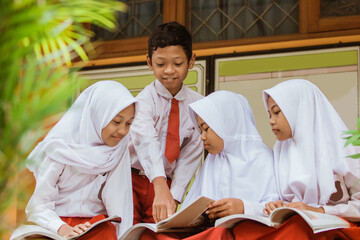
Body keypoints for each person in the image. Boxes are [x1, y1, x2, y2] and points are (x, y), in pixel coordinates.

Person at [140, 90, 279, 240]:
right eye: (200, 130)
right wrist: (197, 218)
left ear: (227, 123)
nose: (202, 137)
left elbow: (277, 211)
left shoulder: (263, 158)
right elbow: (194, 207)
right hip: (209, 233)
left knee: (219, 234)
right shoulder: (213, 161)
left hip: (246, 234)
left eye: (206, 129)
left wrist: (244, 207)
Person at [233, 79, 360, 239]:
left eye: (277, 112)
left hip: (338, 227)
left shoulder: (345, 147)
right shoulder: (282, 150)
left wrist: (319, 211)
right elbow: (292, 202)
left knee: (295, 230)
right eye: (269, 114)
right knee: (243, 230)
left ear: (300, 109)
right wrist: (280, 206)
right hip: (300, 224)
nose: (271, 121)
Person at [22, 81, 137, 239]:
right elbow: (39, 206)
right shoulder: (59, 149)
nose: (123, 131)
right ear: (97, 114)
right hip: (55, 226)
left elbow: (119, 202)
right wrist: (64, 229)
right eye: (116, 122)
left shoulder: (117, 148)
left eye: (129, 123)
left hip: (96, 228)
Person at [128, 21, 203, 224]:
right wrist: (159, 185)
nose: (169, 71)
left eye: (177, 63)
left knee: (161, 231)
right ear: (149, 62)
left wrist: (175, 195)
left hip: (166, 184)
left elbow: (191, 154)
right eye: (161, 64)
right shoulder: (143, 101)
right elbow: (146, 140)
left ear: (191, 60)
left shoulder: (198, 105)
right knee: (128, 232)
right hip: (131, 180)